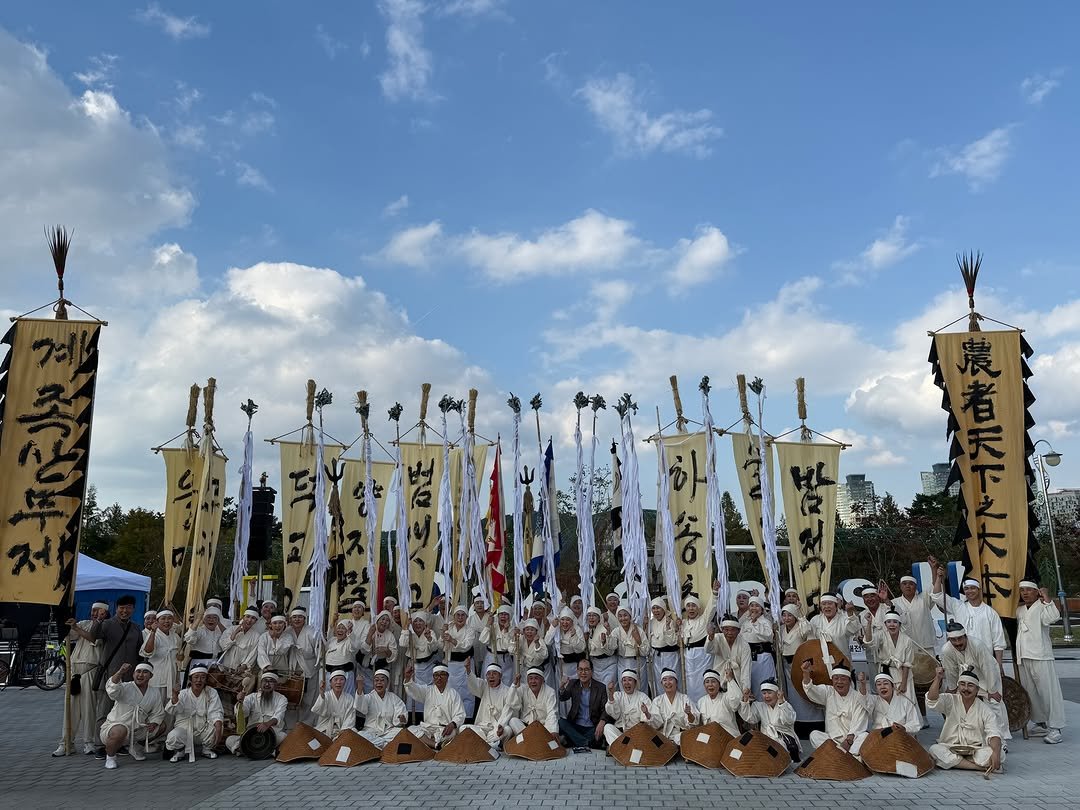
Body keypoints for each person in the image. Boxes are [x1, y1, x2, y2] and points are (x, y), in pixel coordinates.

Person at [940, 621, 1011, 743]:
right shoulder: (946, 650)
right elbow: (951, 671)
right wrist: (952, 689)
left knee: (994, 703)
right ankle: (967, 737)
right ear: (949, 640)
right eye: (954, 640)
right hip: (964, 678)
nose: (957, 643)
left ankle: (1001, 740)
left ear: (965, 636)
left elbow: (988, 668)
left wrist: (992, 691)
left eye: (960, 639)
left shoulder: (977, 645)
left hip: (986, 677)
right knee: (959, 705)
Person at [91, 594, 144, 753]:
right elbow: (94, 636)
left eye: (128, 607)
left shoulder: (135, 627)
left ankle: (119, 742)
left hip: (129, 679)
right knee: (104, 711)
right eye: (122, 608)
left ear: (133, 609)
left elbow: (140, 652)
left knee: (124, 712)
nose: (125, 611)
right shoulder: (107, 624)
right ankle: (100, 745)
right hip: (110, 676)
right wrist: (98, 620)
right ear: (117, 609)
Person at [53, 601, 106, 756]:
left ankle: (89, 742)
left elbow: (94, 639)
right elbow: (70, 635)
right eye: (93, 610)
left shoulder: (105, 627)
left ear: (105, 612)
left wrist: (76, 627)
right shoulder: (84, 623)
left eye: (98, 610)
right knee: (70, 710)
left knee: (89, 709)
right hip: (75, 671)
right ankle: (66, 742)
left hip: (90, 670)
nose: (95, 613)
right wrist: (66, 621)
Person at [926, 666, 1003, 772]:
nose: (965, 689)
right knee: (934, 750)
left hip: (976, 750)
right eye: (962, 684)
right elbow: (932, 699)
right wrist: (938, 678)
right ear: (958, 687)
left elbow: (993, 734)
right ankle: (976, 767)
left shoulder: (985, 710)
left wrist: (996, 753)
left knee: (999, 754)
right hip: (950, 746)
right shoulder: (950, 700)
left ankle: (958, 762)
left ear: (977, 690)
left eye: (970, 685)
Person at [1016, 581, 1066, 744]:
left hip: (1041, 655)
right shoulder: (1020, 610)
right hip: (1024, 656)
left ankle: (1056, 728)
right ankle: (1040, 722)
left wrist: (1047, 598)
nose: (1025, 593)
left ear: (1036, 592)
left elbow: (1053, 618)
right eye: (1022, 590)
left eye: (1029, 590)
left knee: (1048, 692)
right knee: (1030, 692)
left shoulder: (1042, 606)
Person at [931, 562, 1006, 667]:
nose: (969, 591)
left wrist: (999, 665)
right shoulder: (958, 606)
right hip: (962, 660)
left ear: (979, 590)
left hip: (985, 659)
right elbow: (937, 596)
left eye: (972, 588)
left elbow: (998, 643)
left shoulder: (990, 613)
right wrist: (938, 577)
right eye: (966, 589)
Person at [99, 663, 165, 770]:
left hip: (138, 730)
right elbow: (112, 689)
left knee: (161, 726)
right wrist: (120, 672)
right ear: (133, 674)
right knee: (120, 730)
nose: (141, 675)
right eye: (138, 672)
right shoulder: (125, 687)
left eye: (145, 672)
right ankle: (110, 757)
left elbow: (158, 712)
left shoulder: (154, 692)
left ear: (151, 676)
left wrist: (154, 722)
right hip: (116, 728)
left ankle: (137, 747)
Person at [802, 659, 869, 757]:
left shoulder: (857, 697)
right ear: (832, 680)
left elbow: (859, 721)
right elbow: (811, 689)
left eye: (843, 678)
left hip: (852, 741)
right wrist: (806, 673)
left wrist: (849, 740)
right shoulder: (828, 692)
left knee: (864, 736)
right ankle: (839, 756)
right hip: (833, 741)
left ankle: (847, 758)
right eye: (836, 678)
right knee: (814, 735)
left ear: (849, 681)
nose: (839, 682)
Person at [163, 665, 224, 761]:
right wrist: (175, 695)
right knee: (173, 737)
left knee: (217, 726)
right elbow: (172, 710)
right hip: (185, 730)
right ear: (191, 679)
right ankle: (180, 750)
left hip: (203, 729)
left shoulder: (211, 692)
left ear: (206, 679)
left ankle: (206, 749)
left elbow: (215, 711)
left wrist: (219, 726)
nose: (199, 680)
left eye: (202, 677)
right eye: (196, 677)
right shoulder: (183, 693)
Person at [226, 672, 288, 756]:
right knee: (229, 740)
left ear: (276, 685)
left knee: (283, 736)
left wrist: (267, 724)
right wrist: (240, 702)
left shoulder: (281, 699)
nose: (267, 684)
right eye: (265, 681)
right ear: (260, 683)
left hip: (271, 735)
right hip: (251, 735)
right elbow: (244, 713)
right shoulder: (251, 697)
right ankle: (266, 751)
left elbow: (278, 716)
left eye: (271, 681)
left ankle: (245, 750)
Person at [738, 677, 800, 761]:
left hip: (783, 738)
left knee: (776, 751)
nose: (766, 696)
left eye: (769, 693)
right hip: (765, 738)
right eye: (764, 693)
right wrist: (745, 699)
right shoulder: (760, 706)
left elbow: (788, 720)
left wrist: (781, 702)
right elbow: (750, 718)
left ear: (777, 693)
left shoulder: (785, 705)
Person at [404, 664, 465, 748]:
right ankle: (436, 745)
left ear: (447, 676)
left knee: (453, 733)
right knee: (411, 729)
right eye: (436, 675)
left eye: (442, 674)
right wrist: (408, 678)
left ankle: (429, 742)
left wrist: (452, 724)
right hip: (428, 727)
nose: (439, 678)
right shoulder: (427, 690)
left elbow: (460, 714)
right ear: (433, 677)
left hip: (445, 729)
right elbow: (415, 689)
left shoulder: (454, 694)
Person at [862, 610, 916, 704]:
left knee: (907, 702)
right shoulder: (881, 635)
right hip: (886, 673)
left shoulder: (907, 640)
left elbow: (907, 664)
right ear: (885, 624)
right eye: (889, 622)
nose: (892, 625)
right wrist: (869, 623)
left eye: (895, 622)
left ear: (899, 624)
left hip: (903, 675)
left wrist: (903, 684)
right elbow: (869, 641)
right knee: (888, 703)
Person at [460, 660, 516, 747]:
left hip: (497, 728)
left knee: (508, 730)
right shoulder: (483, 685)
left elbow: (507, 712)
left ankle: (482, 744)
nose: (491, 676)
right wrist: (468, 670)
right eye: (488, 674)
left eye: (494, 673)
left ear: (500, 676)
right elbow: (474, 685)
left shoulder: (507, 691)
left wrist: (501, 725)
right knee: (463, 728)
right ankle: (491, 744)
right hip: (482, 727)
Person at [558, 659, 609, 749]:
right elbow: (563, 698)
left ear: (592, 671)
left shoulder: (601, 687)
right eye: (580, 669)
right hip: (576, 726)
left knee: (605, 727)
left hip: (592, 727)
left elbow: (605, 709)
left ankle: (575, 741)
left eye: (586, 669)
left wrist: (602, 722)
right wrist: (562, 686)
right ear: (577, 671)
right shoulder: (573, 684)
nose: (583, 673)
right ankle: (586, 743)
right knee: (561, 722)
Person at [400, 612, 441, 718]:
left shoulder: (430, 632)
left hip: (427, 668)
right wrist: (405, 628)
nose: (418, 624)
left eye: (420, 621)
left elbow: (434, 648)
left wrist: (429, 639)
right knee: (412, 694)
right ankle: (413, 718)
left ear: (425, 623)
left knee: (427, 694)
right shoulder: (409, 633)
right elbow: (403, 644)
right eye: (415, 621)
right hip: (414, 668)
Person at [354, 669, 408, 749]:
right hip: (371, 731)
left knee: (402, 732)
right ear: (373, 683)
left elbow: (401, 715)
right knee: (360, 735)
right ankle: (386, 745)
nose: (379, 682)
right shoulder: (369, 697)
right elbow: (360, 707)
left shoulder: (394, 698)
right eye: (376, 680)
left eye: (382, 680)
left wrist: (401, 719)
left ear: (387, 683)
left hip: (389, 731)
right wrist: (360, 687)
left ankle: (378, 746)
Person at [857, 671, 921, 738]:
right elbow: (864, 699)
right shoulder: (874, 700)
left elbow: (915, 724)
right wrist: (862, 684)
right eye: (879, 684)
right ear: (876, 689)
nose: (882, 687)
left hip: (901, 736)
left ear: (893, 687)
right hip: (879, 737)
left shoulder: (906, 702)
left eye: (885, 683)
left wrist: (904, 728)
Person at [288, 608, 322, 724]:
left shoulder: (311, 632)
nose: (297, 619)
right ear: (291, 619)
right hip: (292, 670)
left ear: (304, 619)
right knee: (293, 698)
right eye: (294, 617)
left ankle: (307, 724)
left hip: (309, 669)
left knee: (308, 699)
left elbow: (318, 652)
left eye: (300, 617)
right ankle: (292, 725)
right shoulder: (288, 631)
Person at [679, 593, 714, 703]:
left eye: (693, 605)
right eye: (688, 605)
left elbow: (711, 608)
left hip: (702, 656)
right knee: (690, 684)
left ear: (698, 608)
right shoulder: (683, 623)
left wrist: (715, 593)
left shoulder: (704, 620)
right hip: (688, 657)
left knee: (702, 683)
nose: (691, 608)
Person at [645, 668, 694, 745]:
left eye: (671, 679)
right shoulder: (657, 701)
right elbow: (656, 724)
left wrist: (689, 714)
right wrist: (647, 714)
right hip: (663, 736)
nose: (667, 682)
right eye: (664, 680)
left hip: (681, 735)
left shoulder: (685, 699)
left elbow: (693, 723)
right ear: (661, 683)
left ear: (676, 682)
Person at [602, 669, 651, 746]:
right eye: (624, 680)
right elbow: (615, 715)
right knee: (607, 727)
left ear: (635, 682)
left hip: (637, 734)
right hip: (621, 734)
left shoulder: (643, 697)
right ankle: (621, 748)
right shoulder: (618, 695)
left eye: (630, 680)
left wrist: (646, 712)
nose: (627, 683)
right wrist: (611, 695)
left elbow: (646, 721)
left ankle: (620, 748)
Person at [139, 608, 180, 700]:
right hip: (157, 678)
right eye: (163, 618)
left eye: (169, 618)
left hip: (172, 676)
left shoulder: (175, 637)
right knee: (156, 706)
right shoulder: (153, 635)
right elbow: (147, 652)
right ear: (157, 621)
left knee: (170, 707)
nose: (166, 621)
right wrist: (153, 632)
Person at [706, 614, 752, 691]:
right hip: (719, 679)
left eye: (733, 630)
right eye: (726, 630)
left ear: (738, 631)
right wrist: (710, 637)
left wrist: (746, 688)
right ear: (722, 630)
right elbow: (709, 650)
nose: (730, 633)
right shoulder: (717, 638)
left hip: (737, 680)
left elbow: (746, 668)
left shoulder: (744, 645)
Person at [892, 575, 937, 653]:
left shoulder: (924, 599)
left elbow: (934, 585)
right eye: (904, 584)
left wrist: (933, 568)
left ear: (915, 586)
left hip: (926, 646)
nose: (908, 586)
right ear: (900, 587)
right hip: (906, 647)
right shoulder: (894, 602)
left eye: (911, 584)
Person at [508, 667, 559, 736]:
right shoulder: (523, 689)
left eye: (536, 678)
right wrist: (514, 685)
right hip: (526, 727)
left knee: (550, 729)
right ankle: (531, 741)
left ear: (542, 680)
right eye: (530, 678)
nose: (533, 681)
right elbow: (511, 702)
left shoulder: (550, 692)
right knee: (513, 721)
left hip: (543, 727)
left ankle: (531, 741)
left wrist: (553, 731)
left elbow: (552, 712)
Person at [742, 597, 777, 695]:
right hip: (748, 659)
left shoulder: (766, 622)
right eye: (752, 605)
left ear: (761, 609)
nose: (754, 608)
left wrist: (755, 623)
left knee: (764, 686)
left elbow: (768, 636)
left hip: (763, 658)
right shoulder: (745, 623)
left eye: (757, 606)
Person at [694, 669, 742, 737]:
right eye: (707, 682)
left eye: (713, 681)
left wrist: (730, 679)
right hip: (710, 739)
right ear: (704, 685)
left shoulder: (726, 697)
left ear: (719, 684)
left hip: (729, 736)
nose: (710, 684)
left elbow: (735, 702)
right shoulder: (701, 701)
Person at [647, 597, 679, 695]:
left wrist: (668, 627)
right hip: (656, 657)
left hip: (670, 657)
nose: (656, 610)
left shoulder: (670, 621)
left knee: (671, 679)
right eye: (654, 608)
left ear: (663, 608)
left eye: (658, 608)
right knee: (659, 681)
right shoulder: (651, 623)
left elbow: (672, 642)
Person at [312, 670, 356, 739]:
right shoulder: (326, 696)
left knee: (354, 733)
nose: (338, 682)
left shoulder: (349, 698)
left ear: (345, 682)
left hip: (342, 729)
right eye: (335, 680)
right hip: (325, 727)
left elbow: (350, 718)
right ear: (330, 683)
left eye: (341, 680)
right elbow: (318, 710)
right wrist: (321, 694)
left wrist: (343, 730)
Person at [612, 605, 647, 688]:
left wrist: (638, 640)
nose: (623, 618)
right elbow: (611, 648)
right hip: (622, 663)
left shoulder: (638, 630)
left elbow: (646, 651)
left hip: (637, 662)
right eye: (620, 616)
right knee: (624, 688)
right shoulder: (616, 631)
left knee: (639, 688)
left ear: (630, 616)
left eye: (625, 615)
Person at [584, 606, 618, 689]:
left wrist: (604, 642)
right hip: (595, 665)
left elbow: (612, 648)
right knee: (597, 690)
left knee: (608, 689)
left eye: (594, 615)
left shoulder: (604, 629)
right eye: (589, 615)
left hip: (608, 665)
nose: (591, 618)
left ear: (599, 618)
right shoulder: (588, 631)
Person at [479, 604, 517, 676]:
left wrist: (506, 630)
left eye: (506, 614)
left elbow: (506, 647)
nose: (503, 616)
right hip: (491, 657)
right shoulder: (493, 626)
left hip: (505, 660)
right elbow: (483, 640)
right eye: (501, 614)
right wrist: (488, 624)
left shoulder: (512, 629)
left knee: (506, 680)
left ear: (510, 616)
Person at [324, 620, 361, 693]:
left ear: (347, 630)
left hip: (345, 674)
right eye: (339, 628)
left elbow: (355, 647)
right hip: (330, 674)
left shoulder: (349, 641)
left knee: (347, 697)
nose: (340, 630)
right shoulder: (332, 640)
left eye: (343, 628)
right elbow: (328, 638)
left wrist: (351, 633)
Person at [362, 610, 399, 677]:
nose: (384, 622)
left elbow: (394, 654)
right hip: (368, 665)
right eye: (383, 619)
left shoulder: (390, 635)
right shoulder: (370, 629)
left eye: (387, 620)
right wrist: (370, 634)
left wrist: (386, 650)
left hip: (383, 666)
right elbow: (364, 649)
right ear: (378, 620)